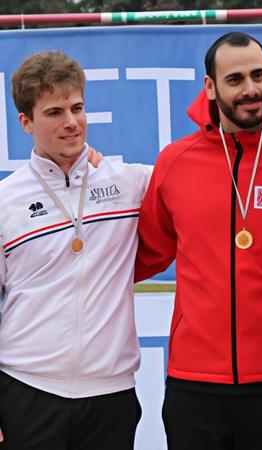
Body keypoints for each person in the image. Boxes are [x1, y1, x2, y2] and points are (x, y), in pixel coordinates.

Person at [135, 32, 262, 450]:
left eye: (258, 75)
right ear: (211, 87)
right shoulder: (176, 160)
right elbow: (142, 253)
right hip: (195, 383)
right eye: (234, 79)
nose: (250, 89)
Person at [0, 50, 148, 449]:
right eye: (54, 113)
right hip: (27, 390)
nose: (71, 123)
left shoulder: (129, 183)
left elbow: (204, 168)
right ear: (25, 122)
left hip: (110, 395)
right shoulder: (4, 201)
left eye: (77, 108)